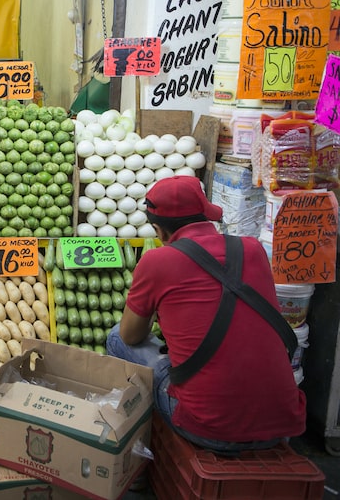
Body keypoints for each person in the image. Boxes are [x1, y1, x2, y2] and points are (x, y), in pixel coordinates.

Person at [107, 175, 306, 455]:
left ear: (159, 231)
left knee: (116, 338)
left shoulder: (156, 261)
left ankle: (136, 460)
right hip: (281, 426)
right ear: (206, 217)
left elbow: (130, 335)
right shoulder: (253, 249)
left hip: (207, 427)